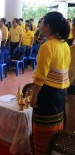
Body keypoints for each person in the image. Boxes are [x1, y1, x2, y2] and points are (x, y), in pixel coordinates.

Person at [30, 12, 71, 155]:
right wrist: (64, 92)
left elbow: (41, 77)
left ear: (48, 26)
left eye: (42, 23)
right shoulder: (64, 44)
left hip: (46, 94)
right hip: (59, 94)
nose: (40, 26)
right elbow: (65, 71)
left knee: (42, 129)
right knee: (55, 127)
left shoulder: (47, 46)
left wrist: (34, 97)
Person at [66, 18, 75, 132]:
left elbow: (71, 71)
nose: (72, 29)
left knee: (70, 122)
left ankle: (69, 145)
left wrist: (64, 88)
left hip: (72, 87)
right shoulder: (71, 48)